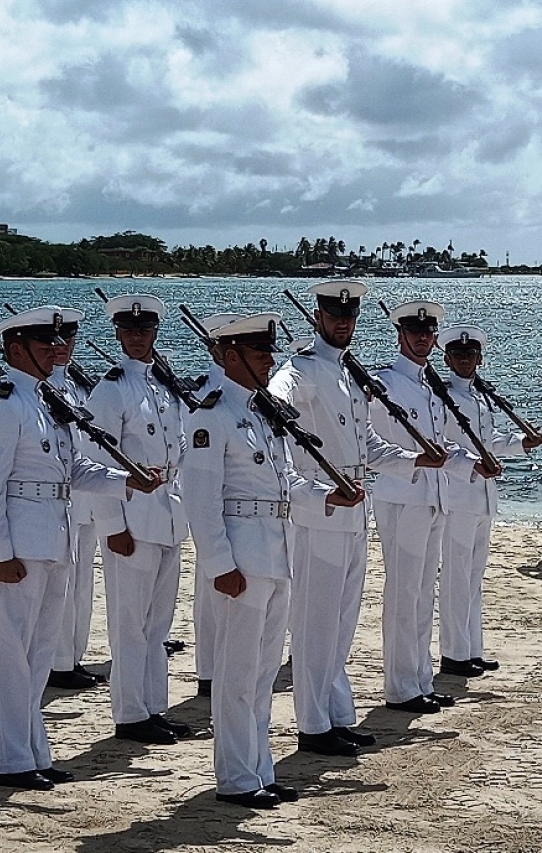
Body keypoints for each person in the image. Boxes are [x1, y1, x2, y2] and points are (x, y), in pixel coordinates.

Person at [0, 306, 161, 791]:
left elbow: (74, 471)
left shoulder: (45, 401)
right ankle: (10, 759)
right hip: (21, 542)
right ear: (16, 351)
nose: (58, 350)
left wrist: (127, 482)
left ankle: (33, 750)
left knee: (37, 654)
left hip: (54, 539)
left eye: (59, 343)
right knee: (9, 654)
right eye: (45, 344)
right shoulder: (4, 404)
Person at [185, 313, 366, 808]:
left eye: (268, 351)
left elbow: (286, 488)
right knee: (237, 675)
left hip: (275, 555)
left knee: (263, 674)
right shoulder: (212, 416)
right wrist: (220, 566)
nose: (268, 359)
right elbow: (200, 499)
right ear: (229, 355)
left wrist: (330, 497)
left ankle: (259, 770)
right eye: (258, 351)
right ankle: (237, 778)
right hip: (242, 562)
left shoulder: (264, 414)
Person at [268, 282, 433, 755]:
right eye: (334, 315)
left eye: (350, 316)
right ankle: (312, 724)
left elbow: (367, 446)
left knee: (342, 620)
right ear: (318, 316)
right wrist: (279, 401)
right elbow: (279, 394)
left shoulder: (345, 374)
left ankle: (336, 713)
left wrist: (415, 458)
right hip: (321, 509)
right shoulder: (303, 369)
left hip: (354, 506)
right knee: (315, 621)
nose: (343, 322)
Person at [369, 301, 495, 715]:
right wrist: (414, 461)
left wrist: (472, 465)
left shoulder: (430, 387)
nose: (422, 337)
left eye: (428, 332)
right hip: (402, 497)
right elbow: (369, 447)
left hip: (434, 497)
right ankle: (400, 687)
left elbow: (444, 445)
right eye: (414, 330)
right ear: (400, 334)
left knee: (424, 594)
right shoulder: (382, 385)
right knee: (404, 594)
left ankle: (419, 679)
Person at [86, 294, 192, 745]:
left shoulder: (164, 386)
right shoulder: (110, 390)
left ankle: (154, 706)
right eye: (129, 331)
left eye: (144, 330)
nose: (137, 337)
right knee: (129, 623)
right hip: (132, 517)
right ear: (117, 334)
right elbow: (95, 463)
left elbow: (183, 450)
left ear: (154, 333)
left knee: (158, 624)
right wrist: (112, 527)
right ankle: (130, 713)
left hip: (167, 513)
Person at [437, 323, 542, 677]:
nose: (464, 360)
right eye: (457, 355)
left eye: (470, 354)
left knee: (473, 577)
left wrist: (519, 443)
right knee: (456, 577)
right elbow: (445, 446)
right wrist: (472, 466)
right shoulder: (441, 396)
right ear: (448, 358)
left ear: (480, 358)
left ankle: (472, 647)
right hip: (457, 494)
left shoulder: (481, 396)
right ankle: (454, 653)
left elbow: (491, 440)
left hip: (483, 498)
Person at [47, 319, 105, 690]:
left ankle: (72, 657)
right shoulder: (43, 388)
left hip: (85, 498)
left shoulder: (74, 385)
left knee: (83, 584)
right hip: (58, 501)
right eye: (54, 340)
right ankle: (57, 662)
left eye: (68, 339)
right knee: (61, 587)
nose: (62, 347)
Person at [189, 312, 241, 699]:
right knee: (209, 590)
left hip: (247, 503)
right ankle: (208, 670)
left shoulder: (256, 394)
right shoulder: (201, 392)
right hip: (212, 499)